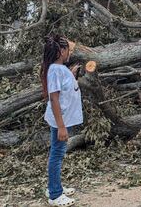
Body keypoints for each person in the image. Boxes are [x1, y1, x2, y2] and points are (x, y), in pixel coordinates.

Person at [40, 34, 83, 207]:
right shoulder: (56, 70)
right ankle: (55, 195)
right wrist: (61, 126)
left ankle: (54, 187)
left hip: (63, 119)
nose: (70, 53)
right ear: (60, 51)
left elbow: (64, 88)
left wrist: (71, 74)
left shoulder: (59, 69)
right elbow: (54, 98)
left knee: (57, 154)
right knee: (57, 155)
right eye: (68, 50)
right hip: (61, 120)